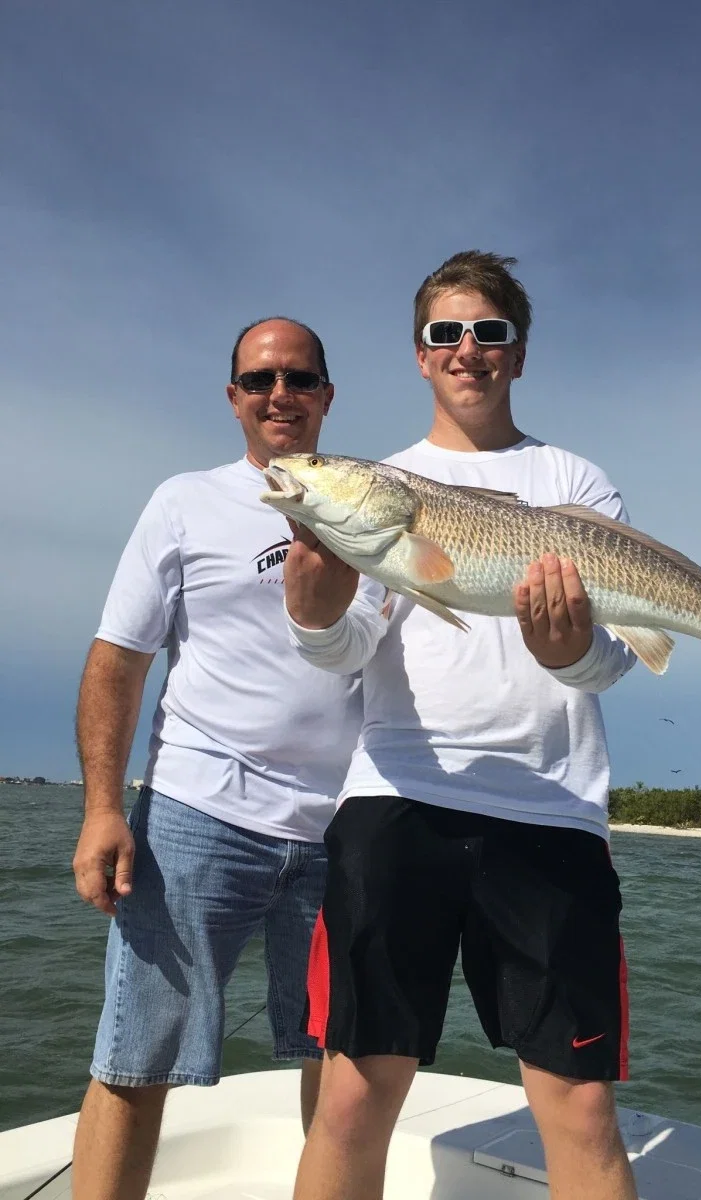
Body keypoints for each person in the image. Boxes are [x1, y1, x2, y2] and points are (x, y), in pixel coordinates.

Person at [284, 253, 640, 1200]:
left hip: (553, 808)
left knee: (583, 1110)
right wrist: (314, 615)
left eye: (490, 332)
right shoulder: (379, 485)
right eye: (446, 332)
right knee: (352, 1098)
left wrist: (569, 652)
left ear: (518, 354)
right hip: (398, 798)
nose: (467, 349)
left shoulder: (573, 479)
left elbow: (610, 661)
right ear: (419, 353)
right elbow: (346, 649)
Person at [70, 317, 381, 1200]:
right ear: (234, 396)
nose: (280, 395)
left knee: (342, 1067)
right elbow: (118, 660)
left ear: (328, 395)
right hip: (196, 816)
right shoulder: (185, 501)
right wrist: (101, 810)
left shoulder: (378, 505)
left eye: (300, 379)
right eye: (260, 380)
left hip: (345, 829)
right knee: (136, 1058)